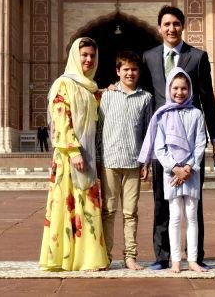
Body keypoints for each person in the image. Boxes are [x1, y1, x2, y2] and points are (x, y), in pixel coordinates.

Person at [139, 5, 215, 271]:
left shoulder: (197, 57)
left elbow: (207, 100)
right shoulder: (150, 57)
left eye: (176, 23)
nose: (171, 28)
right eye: (167, 24)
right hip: (163, 140)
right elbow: (144, 98)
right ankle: (163, 255)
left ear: (182, 26)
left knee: (193, 203)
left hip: (189, 137)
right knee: (161, 200)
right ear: (160, 28)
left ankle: (195, 256)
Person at [38, 37, 109, 271]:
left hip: (86, 155)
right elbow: (61, 118)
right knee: (69, 204)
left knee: (87, 205)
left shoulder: (89, 88)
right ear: (74, 57)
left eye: (92, 55)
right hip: (71, 156)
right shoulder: (63, 84)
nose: (88, 59)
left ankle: (87, 258)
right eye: (84, 55)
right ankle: (65, 258)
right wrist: (73, 150)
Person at [139, 68, 206, 273]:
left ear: (190, 89)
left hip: (191, 172)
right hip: (172, 173)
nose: (179, 92)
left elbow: (200, 144)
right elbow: (160, 148)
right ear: (169, 89)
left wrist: (187, 168)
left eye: (184, 88)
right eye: (175, 88)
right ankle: (176, 259)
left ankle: (192, 259)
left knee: (192, 216)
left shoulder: (196, 114)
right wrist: (176, 168)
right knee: (175, 216)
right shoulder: (163, 115)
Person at [96, 51, 153, 270]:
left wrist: (146, 162)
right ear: (118, 71)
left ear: (139, 72)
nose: (130, 73)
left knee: (131, 213)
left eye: (134, 69)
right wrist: (99, 160)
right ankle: (106, 256)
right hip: (110, 161)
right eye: (126, 69)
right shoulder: (107, 96)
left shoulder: (145, 98)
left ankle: (130, 256)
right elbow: (99, 130)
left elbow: (148, 132)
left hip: (132, 162)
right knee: (108, 211)